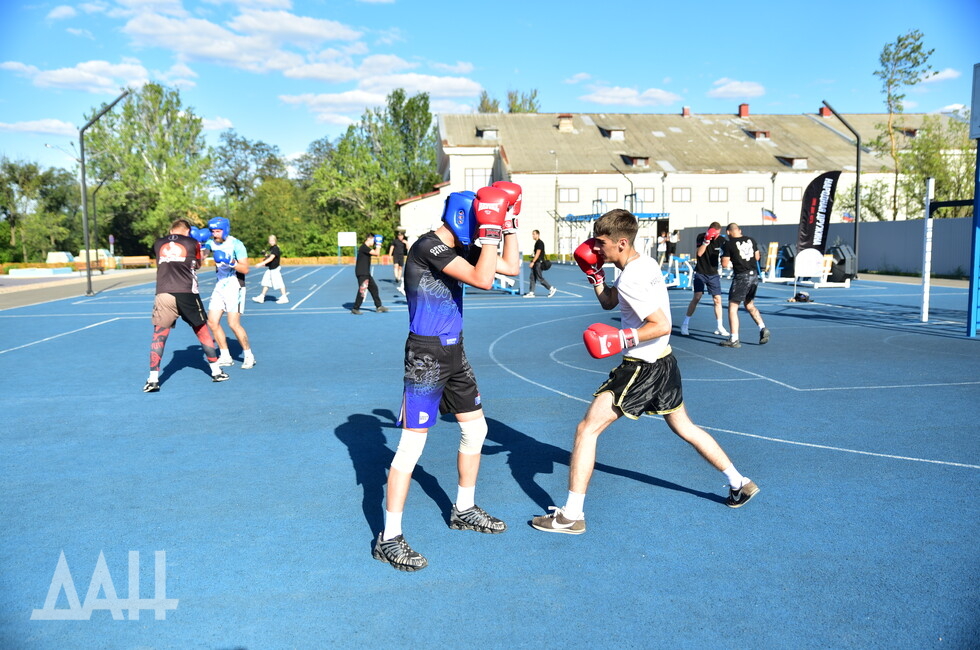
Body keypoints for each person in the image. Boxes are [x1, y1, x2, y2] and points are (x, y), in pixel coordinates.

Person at [530, 209, 759, 536]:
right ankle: (740, 482)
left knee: (586, 430)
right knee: (685, 427)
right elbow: (612, 302)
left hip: (642, 367)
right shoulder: (643, 264)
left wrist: (622, 337)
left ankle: (571, 515)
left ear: (621, 243)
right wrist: (597, 279)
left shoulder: (634, 277)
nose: (596, 249)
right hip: (664, 362)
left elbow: (661, 324)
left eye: (602, 244)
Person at [373, 184, 520, 572]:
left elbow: (510, 268)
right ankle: (388, 537)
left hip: (454, 351)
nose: (480, 229)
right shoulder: (427, 247)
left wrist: (509, 225)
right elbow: (484, 280)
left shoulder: (460, 247)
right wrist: (489, 229)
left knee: (477, 430)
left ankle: (464, 507)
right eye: (478, 221)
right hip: (425, 354)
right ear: (461, 217)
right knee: (411, 448)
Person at [144, 219, 230, 392]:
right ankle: (215, 372)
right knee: (202, 331)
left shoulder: (158, 243)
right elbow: (197, 264)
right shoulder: (192, 242)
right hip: (187, 292)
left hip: (164, 292)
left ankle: (153, 379)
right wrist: (202, 245)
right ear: (188, 231)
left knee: (159, 335)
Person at [203, 217, 256, 369]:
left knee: (233, 323)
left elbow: (245, 269)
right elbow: (201, 260)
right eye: (212, 231)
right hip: (220, 285)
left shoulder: (236, 244)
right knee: (212, 322)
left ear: (225, 230)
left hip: (235, 285)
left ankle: (248, 355)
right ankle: (225, 355)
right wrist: (198, 245)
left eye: (218, 230)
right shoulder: (210, 242)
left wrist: (230, 261)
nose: (215, 234)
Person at [719, 223, 770, 348]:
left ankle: (734, 338)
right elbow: (757, 256)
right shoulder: (751, 240)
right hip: (754, 276)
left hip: (742, 276)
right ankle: (762, 327)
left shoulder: (728, 244)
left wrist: (726, 257)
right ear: (739, 230)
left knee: (733, 307)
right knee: (749, 304)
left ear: (729, 232)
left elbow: (725, 264)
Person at [680, 221, 729, 337]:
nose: (715, 236)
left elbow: (726, 255)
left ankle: (719, 326)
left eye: (717, 234)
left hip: (713, 274)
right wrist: (706, 241)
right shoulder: (701, 237)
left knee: (718, 300)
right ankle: (685, 324)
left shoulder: (721, 241)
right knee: (697, 297)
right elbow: (700, 253)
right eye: (713, 233)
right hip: (700, 272)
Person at [351, 234, 389, 315]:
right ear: (369, 239)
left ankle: (379, 306)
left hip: (366, 272)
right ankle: (355, 308)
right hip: (362, 272)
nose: (374, 242)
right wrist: (378, 244)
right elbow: (376, 253)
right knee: (362, 290)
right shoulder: (364, 247)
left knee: (374, 288)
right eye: (373, 241)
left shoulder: (366, 248)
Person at [251, 235, 288, 304]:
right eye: (270, 241)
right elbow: (269, 257)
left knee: (279, 283)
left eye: (272, 241)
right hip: (270, 269)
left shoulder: (275, 248)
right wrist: (265, 255)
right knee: (266, 282)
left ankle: (284, 297)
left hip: (275, 269)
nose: (271, 242)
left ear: (275, 241)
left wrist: (261, 264)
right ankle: (261, 297)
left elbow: (271, 258)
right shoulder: (271, 248)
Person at [524, 229, 556, 298]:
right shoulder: (537, 243)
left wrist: (533, 262)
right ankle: (531, 292)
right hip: (536, 262)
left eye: (534, 234)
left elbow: (538, 253)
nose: (533, 235)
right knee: (532, 277)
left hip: (538, 263)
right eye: (532, 234)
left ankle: (551, 289)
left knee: (539, 278)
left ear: (538, 235)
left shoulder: (539, 243)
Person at [388, 230, 408, 295]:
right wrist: (390, 255)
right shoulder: (395, 241)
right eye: (399, 236)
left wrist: (406, 243)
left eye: (401, 236)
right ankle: (396, 277)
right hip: (396, 255)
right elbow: (392, 247)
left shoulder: (404, 241)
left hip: (401, 255)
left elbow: (408, 248)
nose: (400, 237)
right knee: (395, 266)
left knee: (400, 267)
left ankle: (399, 277)